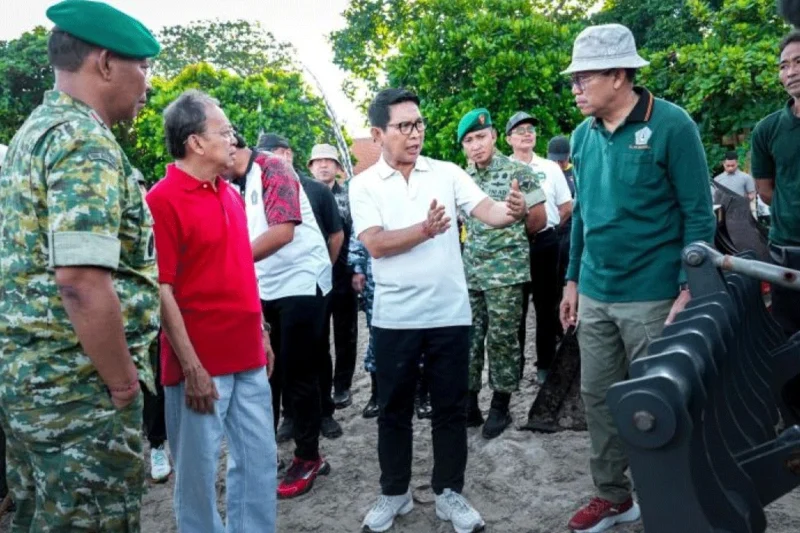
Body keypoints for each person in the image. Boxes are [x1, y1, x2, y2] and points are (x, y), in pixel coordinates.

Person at [0, 2, 161, 529]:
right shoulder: (83, 142)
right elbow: (82, 283)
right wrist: (121, 382)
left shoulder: (35, 133)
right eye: (144, 67)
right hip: (78, 392)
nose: (148, 85)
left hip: (33, 384)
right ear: (107, 62)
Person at [559, 24, 716, 532]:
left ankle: (681, 500)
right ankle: (613, 496)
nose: (576, 88)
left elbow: (699, 215)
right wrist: (571, 281)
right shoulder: (582, 136)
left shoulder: (672, 125)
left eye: (584, 78)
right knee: (599, 399)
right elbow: (581, 214)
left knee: (664, 403)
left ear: (620, 74)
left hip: (654, 297)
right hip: (596, 292)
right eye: (574, 79)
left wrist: (689, 287)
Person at [350, 88, 528, 533]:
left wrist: (513, 211)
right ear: (378, 133)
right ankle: (395, 492)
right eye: (404, 126)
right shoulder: (364, 184)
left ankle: (450, 493)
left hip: (450, 314)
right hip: (394, 318)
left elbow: (487, 210)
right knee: (394, 410)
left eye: (419, 124)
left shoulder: (447, 173)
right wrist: (425, 231)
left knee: (450, 409)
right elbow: (375, 243)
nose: (415, 134)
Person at [146, 90, 277, 531]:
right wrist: (191, 366)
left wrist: (262, 329)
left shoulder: (231, 196)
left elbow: (242, 271)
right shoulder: (162, 200)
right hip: (199, 366)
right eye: (224, 132)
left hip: (247, 354)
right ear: (195, 142)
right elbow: (162, 289)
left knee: (260, 460)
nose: (233, 140)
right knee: (198, 478)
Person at [242, 131, 339, 497]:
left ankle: (309, 456)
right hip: (265, 283)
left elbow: (284, 233)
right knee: (269, 372)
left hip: (299, 283)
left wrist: (321, 274)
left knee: (299, 372)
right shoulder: (236, 181)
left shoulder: (275, 170)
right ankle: (273, 449)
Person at [457, 108, 547, 439]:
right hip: (470, 273)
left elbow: (539, 220)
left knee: (502, 339)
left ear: (494, 136)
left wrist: (516, 227)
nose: (476, 145)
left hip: (506, 272)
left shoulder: (519, 173)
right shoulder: (462, 179)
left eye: (480, 137)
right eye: (468, 140)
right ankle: (469, 404)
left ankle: (500, 405)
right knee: (468, 339)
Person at [506, 112, 574, 384]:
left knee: (547, 307)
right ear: (508, 138)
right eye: (519, 130)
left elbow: (566, 207)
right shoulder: (501, 168)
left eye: (531, 129)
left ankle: (545, 364)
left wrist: (548, 229)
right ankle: (515, 366)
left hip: (546, 243)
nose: (526, 133)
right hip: (513, 246)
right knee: (515, 308)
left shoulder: (550, 167)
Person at [751, 29, 800, 337]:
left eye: (799, 62)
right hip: (788, 252)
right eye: (784, 65)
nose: (791, 71)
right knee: (789, 336)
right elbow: (765, 190)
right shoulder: (767, 130)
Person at [308, 143, 359, 409]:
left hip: (343, 273)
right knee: (317, 335)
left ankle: (343, 386)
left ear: (338, 167)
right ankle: (322, 387)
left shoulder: (349, 196)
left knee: (346, 333)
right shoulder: (303, 196)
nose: (324, 165)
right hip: (314, 276)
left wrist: (355, 270)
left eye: (329, 161)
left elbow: (356, 235)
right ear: (310, 167)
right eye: (318, 161)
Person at [547, 135, 576, 286]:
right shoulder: (545, 171)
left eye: (562, 160)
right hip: (551, 230)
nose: (558, 164)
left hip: (569, 230)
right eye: (554, 160)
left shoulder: (575, 172)